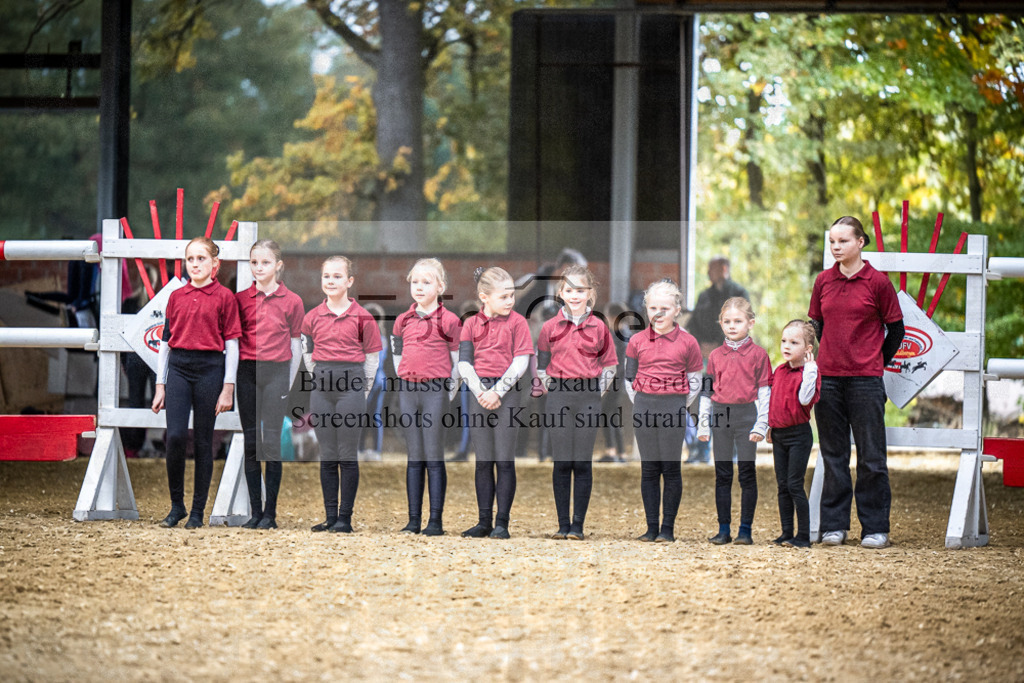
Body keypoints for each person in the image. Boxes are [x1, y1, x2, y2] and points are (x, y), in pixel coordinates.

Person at [809, 216, 904, 549]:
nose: (836, 247)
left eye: (843, 241)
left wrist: (875, 360)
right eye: (832, 241)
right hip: (829, 381)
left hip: (866, 381)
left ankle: (875, 528)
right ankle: (834, 526)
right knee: (833, 454)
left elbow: (897, 331)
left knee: (871, 457)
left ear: (860, 242)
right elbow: (815, 327)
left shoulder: (878, 283)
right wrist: (818, 360)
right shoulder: (823, 281)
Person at [152, 237, 241, 529]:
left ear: (215, 264)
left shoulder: (225, 297)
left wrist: (228, 386)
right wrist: (160, 384)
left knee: (204, 441)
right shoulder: (176, 296)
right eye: (190, 259)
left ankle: (198, 512)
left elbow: (232, 345)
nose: (195, 264)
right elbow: (165, 342)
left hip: (209, 370)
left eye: (202, 259)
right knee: (175, 436)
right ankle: (177, 505)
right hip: (178, 369)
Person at [301, 256, 382, 533]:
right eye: (326, 276)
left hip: (352, 387)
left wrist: (363, 388)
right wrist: (319, 377)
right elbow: (307, 353)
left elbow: (372, 357)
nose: (331, 281)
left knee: (347, 453)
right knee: (328, 453)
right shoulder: (311, 317)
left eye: (337, 276)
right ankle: (330, 516)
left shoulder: (363, 318)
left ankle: (345, 518)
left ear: (349, 281)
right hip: (322, 388)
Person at [536, 266, 618, 540]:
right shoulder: (549, 328)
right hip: (559, 395)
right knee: (562, 462)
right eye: (569, 290)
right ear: (560, 293)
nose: (574, 295)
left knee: (582, 462)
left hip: (588, 398)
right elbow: (541, 367)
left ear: (590, 294)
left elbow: (609, 367)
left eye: (580, 290)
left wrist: (595, 393)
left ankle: (578, 525)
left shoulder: (600, 327)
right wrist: (555, 389)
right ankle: (562, 524)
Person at [625, 279, 703, 543]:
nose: (658, 314)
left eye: (665, 309)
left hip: (673, 406)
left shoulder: (688, 342)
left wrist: (678, 403)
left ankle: (667, 528)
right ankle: (651, 527)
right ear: (646, 309)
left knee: (671, 468)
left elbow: (695, 380)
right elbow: (628, 379)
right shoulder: (636, 340)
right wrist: (643, 400)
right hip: (644, 406)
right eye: (653, 308)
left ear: (677, 309)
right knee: (649, 468)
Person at [235, 240, 305, 530]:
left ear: (278, 265)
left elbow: (296, 346)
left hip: (277, 373)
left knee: (272, 443)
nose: (258, 268)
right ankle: (255, 511)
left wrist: (287, 383)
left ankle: (271, 513)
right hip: (247, 372)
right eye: (254, 263)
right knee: (251, 443)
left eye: (265, 263)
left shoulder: (292, 301)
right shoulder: (240, 299)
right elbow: (233, 342)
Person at [458, 267, 533, 539]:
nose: (510, 301)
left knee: (504, 459)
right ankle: (483, 521)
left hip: (507, 394)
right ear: (484, 297)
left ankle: (502, 522)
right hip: (479, 393)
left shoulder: (517, 323)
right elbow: (464, 363)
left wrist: (497, 392)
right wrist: (481, 391)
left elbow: (520, 361)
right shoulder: (471, 324)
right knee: (483, 460)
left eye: (512, 295)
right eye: (504, 297)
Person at [390, 258, 462, 536]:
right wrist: (407, 376)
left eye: (426, 282)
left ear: (440, 286)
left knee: (433, 454)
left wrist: (448, 391)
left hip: (435, 391)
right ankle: (413, 519)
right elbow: (397, 355)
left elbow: (457, 361)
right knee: (414, 456)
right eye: (415, 282)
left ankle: (435, 520)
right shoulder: (402, 320)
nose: (419, 287)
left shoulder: (450, 320)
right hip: (409, 390)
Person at [698, 297, 772, 545]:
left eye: (738, 321)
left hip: (746, 418)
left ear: (750, 323)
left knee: (747, 473)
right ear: (720, 323)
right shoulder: (716, 356)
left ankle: (745, 530)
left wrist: (762, 424)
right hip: (720, 417)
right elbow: (707, 392)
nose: (732, 326)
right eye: (727, 321)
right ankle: (723, 529)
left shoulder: (759, 355)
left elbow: (764, 392)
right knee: (723, 474)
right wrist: (703, 423)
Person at [767, 320, 821, 549]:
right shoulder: (779, 371)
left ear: (808, 348)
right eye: (784, 341)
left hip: (799, 435)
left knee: (795, 485)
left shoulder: (810, 373)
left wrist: (810, 370)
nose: (786, 346)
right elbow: (774, 400)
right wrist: (770, 425)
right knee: (782, 485)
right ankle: (786, 532)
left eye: (794, 342)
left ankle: (803, 536)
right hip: (779, 434)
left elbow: (804, 399)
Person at [689, 256, 750, 357]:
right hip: (704, 354)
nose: (708, 273)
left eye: (712, 269)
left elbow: (742, 325)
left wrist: (719, 346)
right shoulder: (704, 296)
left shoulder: (739, 294)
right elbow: (693, 323)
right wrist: (700, 344)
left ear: (724, 269)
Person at [358, 302, 388, 462]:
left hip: (372, 379)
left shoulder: (372, 336)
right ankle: (373, 450)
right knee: (373, 415)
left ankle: (363, 449)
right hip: (379, 379)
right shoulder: (381, 336)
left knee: (366, 415)